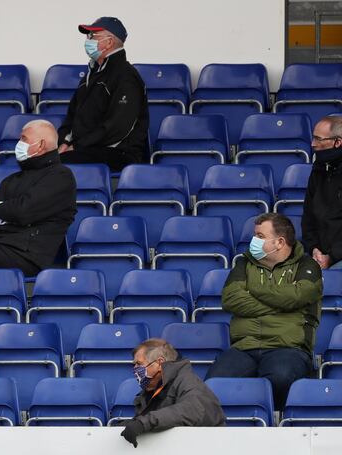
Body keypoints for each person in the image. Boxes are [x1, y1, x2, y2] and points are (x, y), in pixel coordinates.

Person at [206, 213, 322, 410]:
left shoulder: (307, 265)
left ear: (279, 242)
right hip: (244, 347)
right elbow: (231, 299)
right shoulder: (244, 264)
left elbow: (297, 296)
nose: (254, 241)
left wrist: (255, 290)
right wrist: (281, 305)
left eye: (260, 236)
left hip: (288, 347)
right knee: (213, 384)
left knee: (281, 378)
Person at [0, 119, 76, 276]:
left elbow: (23, 211)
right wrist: (8, 214)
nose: (19, 143)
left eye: (23, 139)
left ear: (40, 145)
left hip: (25, 255)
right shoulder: (12, 180)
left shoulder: (61, 176)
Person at [57, 17, 149, 171]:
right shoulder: (92, 74)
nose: (88, 40)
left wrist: (77, 146)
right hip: (86, 149)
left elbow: (117, 127)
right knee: (38, 160)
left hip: (119, 153)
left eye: (93, 36)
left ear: (109, 42)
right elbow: (71, 117)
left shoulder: (126, 76)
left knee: (56, 165)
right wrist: (64, 143)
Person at [120, 339, 224, 447]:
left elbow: (192, 410)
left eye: (139, 364)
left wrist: (144, 423)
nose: (135, 369)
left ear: (159, 363)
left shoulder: (188, 381)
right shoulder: (152, 391)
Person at [303, 115, 342, 270]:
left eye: (319, 139)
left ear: (338, 142)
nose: (313, 144)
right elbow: (308, 216)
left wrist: (332, 257)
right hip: (319, 254)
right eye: (313, 138)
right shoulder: (319, 168)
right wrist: (314, 248)